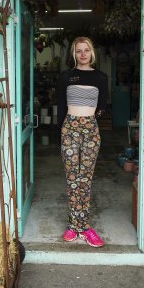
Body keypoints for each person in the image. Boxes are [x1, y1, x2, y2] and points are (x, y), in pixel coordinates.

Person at [57, 36, 108, 248]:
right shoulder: (66, 77)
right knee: (72, 179)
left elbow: (103, 106)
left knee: (85, 180)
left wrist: (90, 122)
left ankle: (84, 227)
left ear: (92, 53)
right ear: (74, 54)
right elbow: (60, 106)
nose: (83, 54)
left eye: (86, 50)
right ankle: (73, 226)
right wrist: (64, 128)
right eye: (79, 51)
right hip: (69, 128)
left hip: (90, 129)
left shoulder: (100, 78)